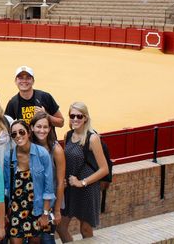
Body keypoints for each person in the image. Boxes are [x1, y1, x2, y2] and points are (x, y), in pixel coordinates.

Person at [58, 102, 108, 242]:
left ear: (85, 118)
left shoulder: (92, 138)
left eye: (79, 116)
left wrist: (82, 182)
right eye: (72, 116)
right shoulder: (68, 135)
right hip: (70, 187)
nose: (75, 119)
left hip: (87, 188)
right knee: (61, 227)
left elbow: (104, 169)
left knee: (85, 229)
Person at [3, 120, 54, 244]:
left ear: (29, 132)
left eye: (21, 132)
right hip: (15, 209)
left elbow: (48, 188)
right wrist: (4, 213)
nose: (18, 136)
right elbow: (5, 187)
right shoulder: (8, 156)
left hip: (37, 209)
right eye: (14, 134)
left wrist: (45, 214)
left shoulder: (42, 154)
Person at [30, 112, 65, 244]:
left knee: (47, 238)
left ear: (50, 129)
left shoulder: (56, 150)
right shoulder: (28, 147)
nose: (42, 130)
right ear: (32, 127)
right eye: (39, 127)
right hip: (33, 202)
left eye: (45, 127)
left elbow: (61, 182)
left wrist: (57, 210)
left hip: (51, 202)